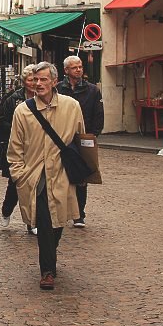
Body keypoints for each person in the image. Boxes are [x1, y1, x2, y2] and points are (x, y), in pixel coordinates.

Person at [7, 61, 84, 290]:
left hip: (62, 174)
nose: (38, 84)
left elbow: (82, 139)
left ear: (54, 81)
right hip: (34, 176)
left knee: (58, 221)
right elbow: (15, 146)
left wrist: (84, 169)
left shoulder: (72, 107)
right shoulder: (23, 110)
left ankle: (51, 253)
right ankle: (47, 270)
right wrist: (19, 174)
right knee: (45, 220)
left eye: (43, 80)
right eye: (35, 79)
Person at [57, 55, 104, 228]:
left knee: (82, 175)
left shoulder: (92, 90)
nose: (79, 69)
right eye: (74, 67)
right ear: (66, 71)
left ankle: (79, 214)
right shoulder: (58, 89)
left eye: (80, 66)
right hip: (62, 137)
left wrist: (92, 135)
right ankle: (62, 211)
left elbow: (98, 114)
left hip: (83, 137)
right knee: (61, 175)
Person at [0, 64, 40, 232]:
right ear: (24, 81)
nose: (34, 83)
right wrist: (20, 128)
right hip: (18, 147)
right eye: (31, 80)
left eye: (36, 79)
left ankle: (32, 222)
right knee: (15, 184)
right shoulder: (13, 99)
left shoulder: (44, 97)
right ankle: (6, 211)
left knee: (37, 185)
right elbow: (3, 122)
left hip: (37, 148)